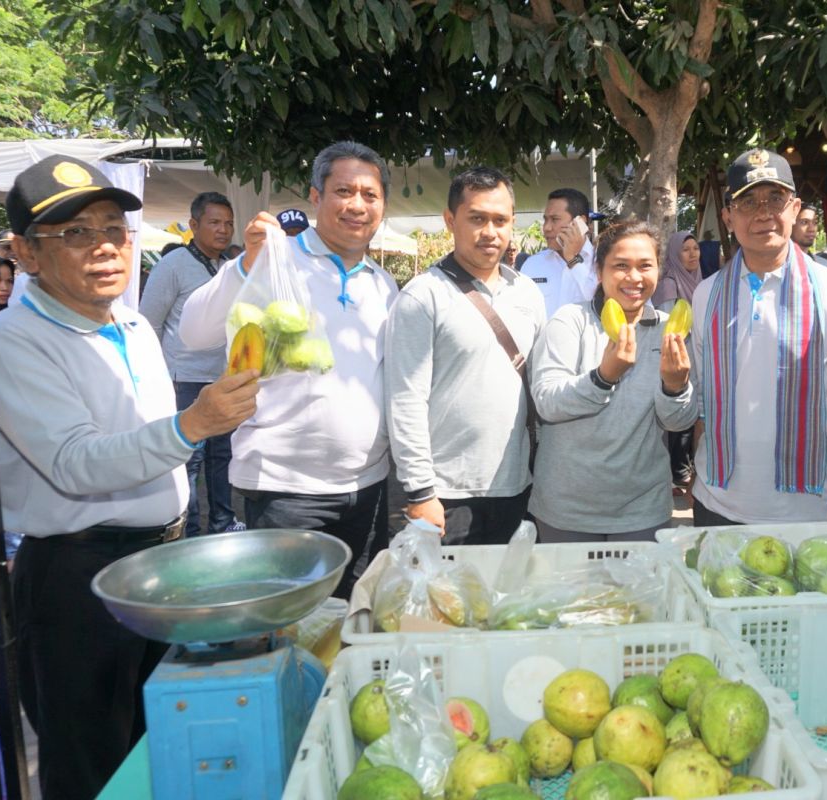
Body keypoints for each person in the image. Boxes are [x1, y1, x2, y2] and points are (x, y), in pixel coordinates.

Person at [0, 155, 257, 799]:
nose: (104, 247)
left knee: (158, 744)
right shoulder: (12, 341)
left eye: (113, 229)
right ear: (25, 254)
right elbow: (75, 463)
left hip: (160, 564)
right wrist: (192, 425)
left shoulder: (131, 323)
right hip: (78, 580)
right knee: (88, 763)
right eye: (75, 234)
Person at [180, 141, 399, 597]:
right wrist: (246, 264)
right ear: (316, 197)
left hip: (368, 486)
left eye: (370, 194)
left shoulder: (383, 283)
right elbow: (194, 332)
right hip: (285, 490)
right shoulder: (275, 259)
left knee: (354, 617)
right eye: (344, 191)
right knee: (292, 623)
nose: (357, 205)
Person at [690, 149, 827, 526]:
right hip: (717, 500)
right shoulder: (706, 293)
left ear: (794, 208)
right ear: (728, 216)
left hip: (802, 506)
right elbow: (703, 398)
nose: (763, 213)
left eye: (776, 198)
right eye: (748, 202)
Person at [388, 167, 546, 544]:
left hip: (515, 486)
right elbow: (405, 399)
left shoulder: (526, 292)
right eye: (477, 218)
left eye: (500, 220)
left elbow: (540, 384)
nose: (490, 232)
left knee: (507, 598)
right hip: (446, 495)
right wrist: (421, 493)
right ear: (450, 220)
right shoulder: (422, 296)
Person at [529, 222, 697, 541]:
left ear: (659, 270)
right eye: (620, 265)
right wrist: (604, 377)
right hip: (567, 510)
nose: (633, 277)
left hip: (642, 510)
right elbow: (547, 403)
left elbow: (678, 422)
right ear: (599, 270)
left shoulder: (671, 331)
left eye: (645, 266)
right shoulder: (569, 321)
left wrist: (675, 386)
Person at [140, 191, 242, 536]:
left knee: (222, 457)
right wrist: (158, 378)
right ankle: (189, 532)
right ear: (194, 224)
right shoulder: (173, 265)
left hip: (221, 378)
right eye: (215, 222)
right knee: (189, 461)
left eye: (228, 223)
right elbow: (149, 322)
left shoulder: (228, 267)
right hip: (184, 380)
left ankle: (223, 523)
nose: (223, 230)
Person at [650, 231, 702, 493]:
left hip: (696, 359)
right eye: (686, 250)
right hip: (678, 361)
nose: (693, 254)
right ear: (673, 254)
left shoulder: (699, 281)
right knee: (675, 419)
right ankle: (675, 472)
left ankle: (681, 469)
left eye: (695, 248)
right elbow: (670, 330)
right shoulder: (670, 284)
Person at [521, 187, 597, 317]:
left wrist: (572, 259)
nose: (546, 228)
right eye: (545, 219)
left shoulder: (602, 261)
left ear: (580, 222)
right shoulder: (533, 264)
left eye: (555, 219)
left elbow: (597, 301)